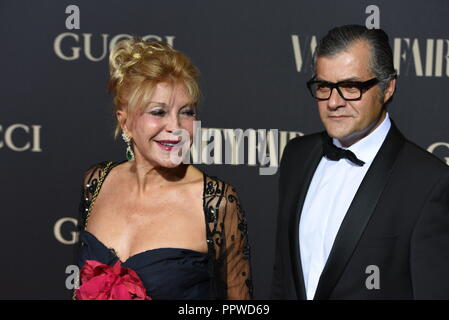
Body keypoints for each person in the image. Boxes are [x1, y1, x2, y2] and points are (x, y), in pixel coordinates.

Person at [271, 25, 449, 299]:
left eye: (350, 87)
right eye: (324, 87)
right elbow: (283, 279)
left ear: (388, 87)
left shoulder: (429, 182)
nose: (333, 102)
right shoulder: (297, 156)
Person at [74, 38, 252, 300]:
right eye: (158, 112)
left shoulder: (216, 203)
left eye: (187, 112)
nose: (175, 127)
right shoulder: (97, 182)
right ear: (125, 122)